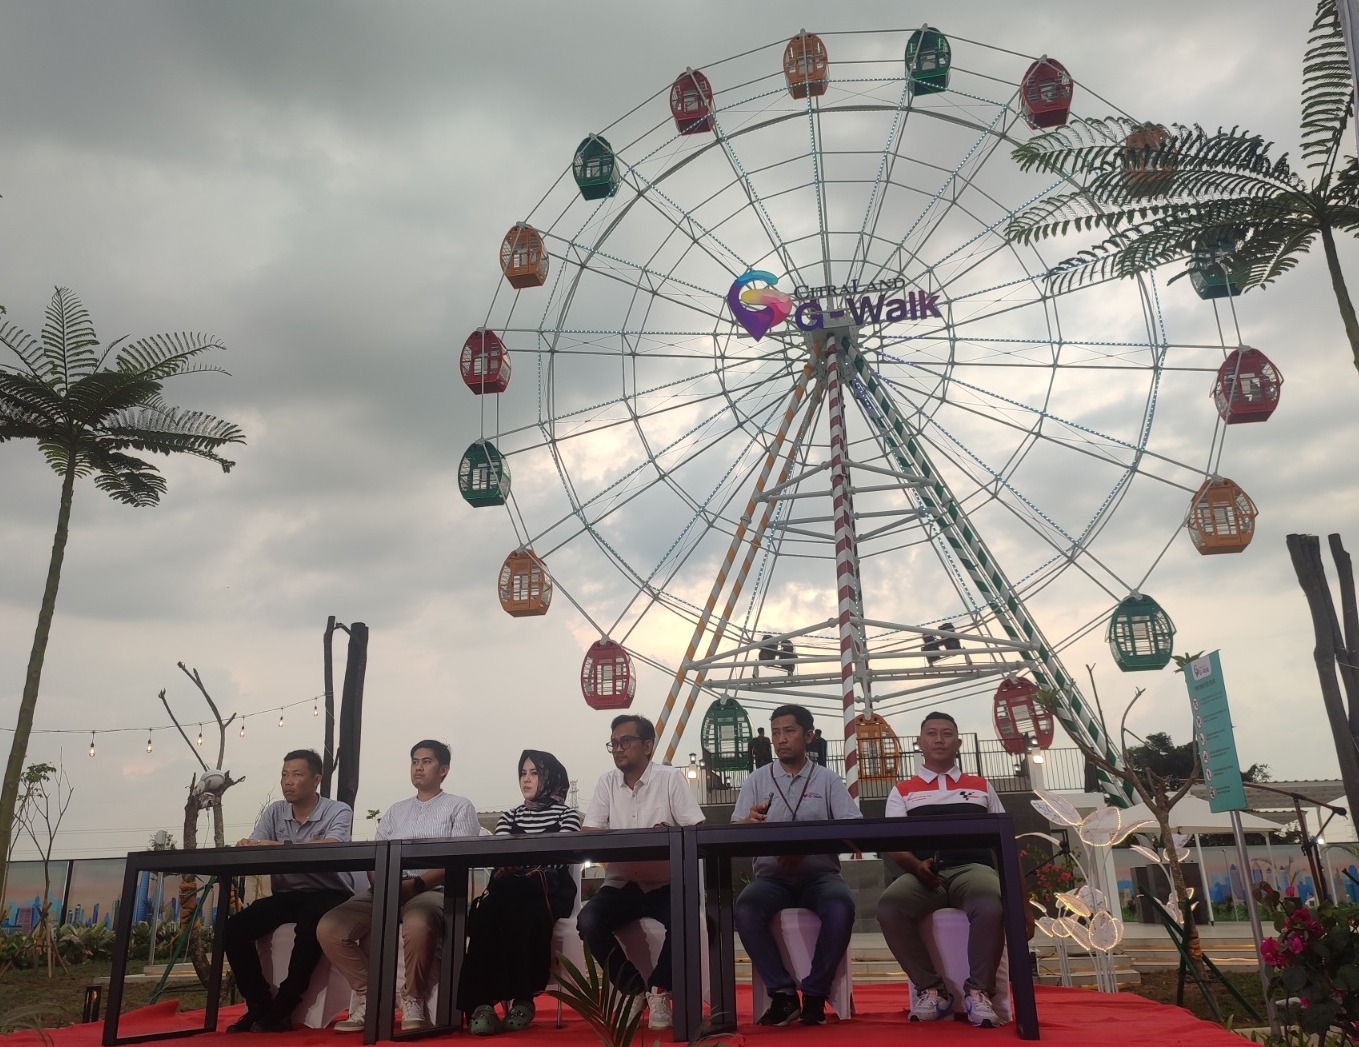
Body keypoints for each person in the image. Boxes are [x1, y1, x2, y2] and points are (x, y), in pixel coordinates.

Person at [318, 740, 479, 1033]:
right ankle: (371, 994)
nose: (418, 767)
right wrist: (382, 883)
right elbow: (376, 854)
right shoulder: (396, 811)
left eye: (427, 761)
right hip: (385, 888)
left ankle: (413, 998)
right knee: (330, 927)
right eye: (415, 761)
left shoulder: (459, 806)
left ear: (443, 770)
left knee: (417, 923)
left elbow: (458, 859)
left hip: (432, 890)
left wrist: (414, 884)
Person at [875, 710, 1007, 1028]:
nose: (938, 739)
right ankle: (932, 990)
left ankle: (979, 992)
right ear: (919, 743)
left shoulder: (981, 787)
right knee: (889, 907)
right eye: (931, 733)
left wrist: (1024, 906)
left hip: (973, 868)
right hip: (922, 874)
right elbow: (896, 846)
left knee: (990, 903)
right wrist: (916, 866)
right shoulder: (903, 790)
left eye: (946, 733)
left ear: (958, 742)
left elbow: (1004, 843)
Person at [732, 704, 861, 1027]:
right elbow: (734, 834)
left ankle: (815, 995)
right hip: (771, 880)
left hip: (819, 876)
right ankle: (783, 994)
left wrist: (806, 849)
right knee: (746, 908)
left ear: (808, 736)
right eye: (775, 732)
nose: (780, 739)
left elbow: (854, 831)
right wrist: (750, 822)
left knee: (841, 906)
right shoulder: (757, 781)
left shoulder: (828, 781)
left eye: (788, 731)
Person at [577, 714, 704, 1032]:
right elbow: (590, 830)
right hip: (622, 884)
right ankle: (632, 988)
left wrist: (670, 831)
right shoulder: (607, 782)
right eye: (614, 743)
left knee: (686, 917)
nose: (618, 749)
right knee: (588, 920)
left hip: (665, 883)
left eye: (625, 742)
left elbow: (695, 829)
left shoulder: (669, 779)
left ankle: (659, 990)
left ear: (648, 746)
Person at [223, 750, 354, 1033]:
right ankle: (259, 1008)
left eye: (296, 775)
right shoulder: (275, 811)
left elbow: (333, 845)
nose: (288, 782)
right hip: (287, 895)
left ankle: (283, 1008)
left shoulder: (338, 810)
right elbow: (258, 845)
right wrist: (249, 845)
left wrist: (276, 846)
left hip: (329, 893)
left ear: (316, 779)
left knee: (310, 929)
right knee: (234, 928)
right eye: (284, 775)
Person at [457, 750, 582, 1036]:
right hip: (509, 888)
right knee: (485, 914)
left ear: (550, 777)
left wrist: (519, 863)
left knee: (524, 912)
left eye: (534, 773)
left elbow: (558, 858)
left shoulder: (567, 815)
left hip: (547, 890)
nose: (526, 779)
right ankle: (481, 1004)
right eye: (523, 773)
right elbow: (499, 855)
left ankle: (523, 997)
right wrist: (512, 865)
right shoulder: (510, 816)